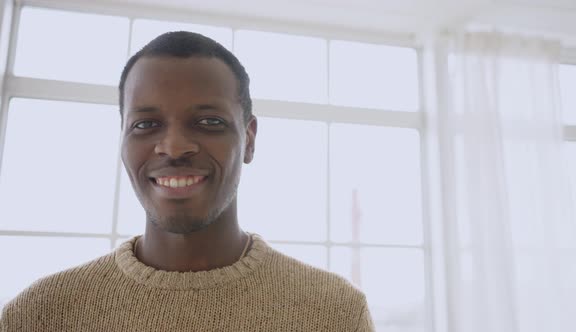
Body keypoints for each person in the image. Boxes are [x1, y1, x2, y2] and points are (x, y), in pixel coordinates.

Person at [0, 31, 374, 331]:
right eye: (145, 124)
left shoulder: (334, 313)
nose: (174, 147)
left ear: (249, 139)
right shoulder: (39, 315)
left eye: (209, 122)